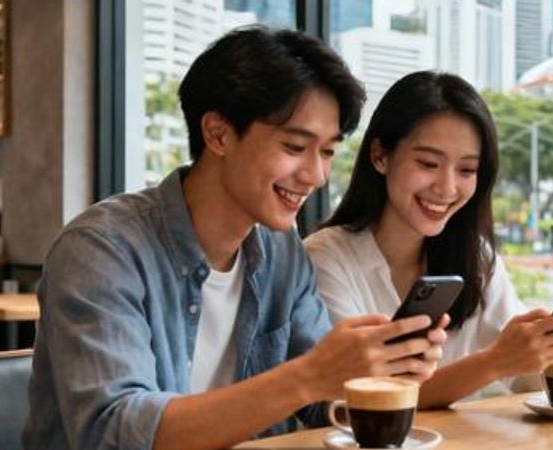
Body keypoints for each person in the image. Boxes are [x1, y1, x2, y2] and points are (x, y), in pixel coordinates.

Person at [23, 28, 448, 450]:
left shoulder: (282, 251)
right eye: (296, 146)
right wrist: (308, 376)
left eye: (328, 152)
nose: (316, 176)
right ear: (218, 134)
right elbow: (115, 432)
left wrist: (380, 371)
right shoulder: (101, 250)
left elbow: (323, 401)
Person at [304, 71, 553, 409]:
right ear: (380, 156)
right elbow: (357, 402)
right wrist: (496, 361)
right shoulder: (325, 258)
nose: (447, 188)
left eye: (466, 170)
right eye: (428, 163)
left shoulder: (475, 255)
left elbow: (521, 378)